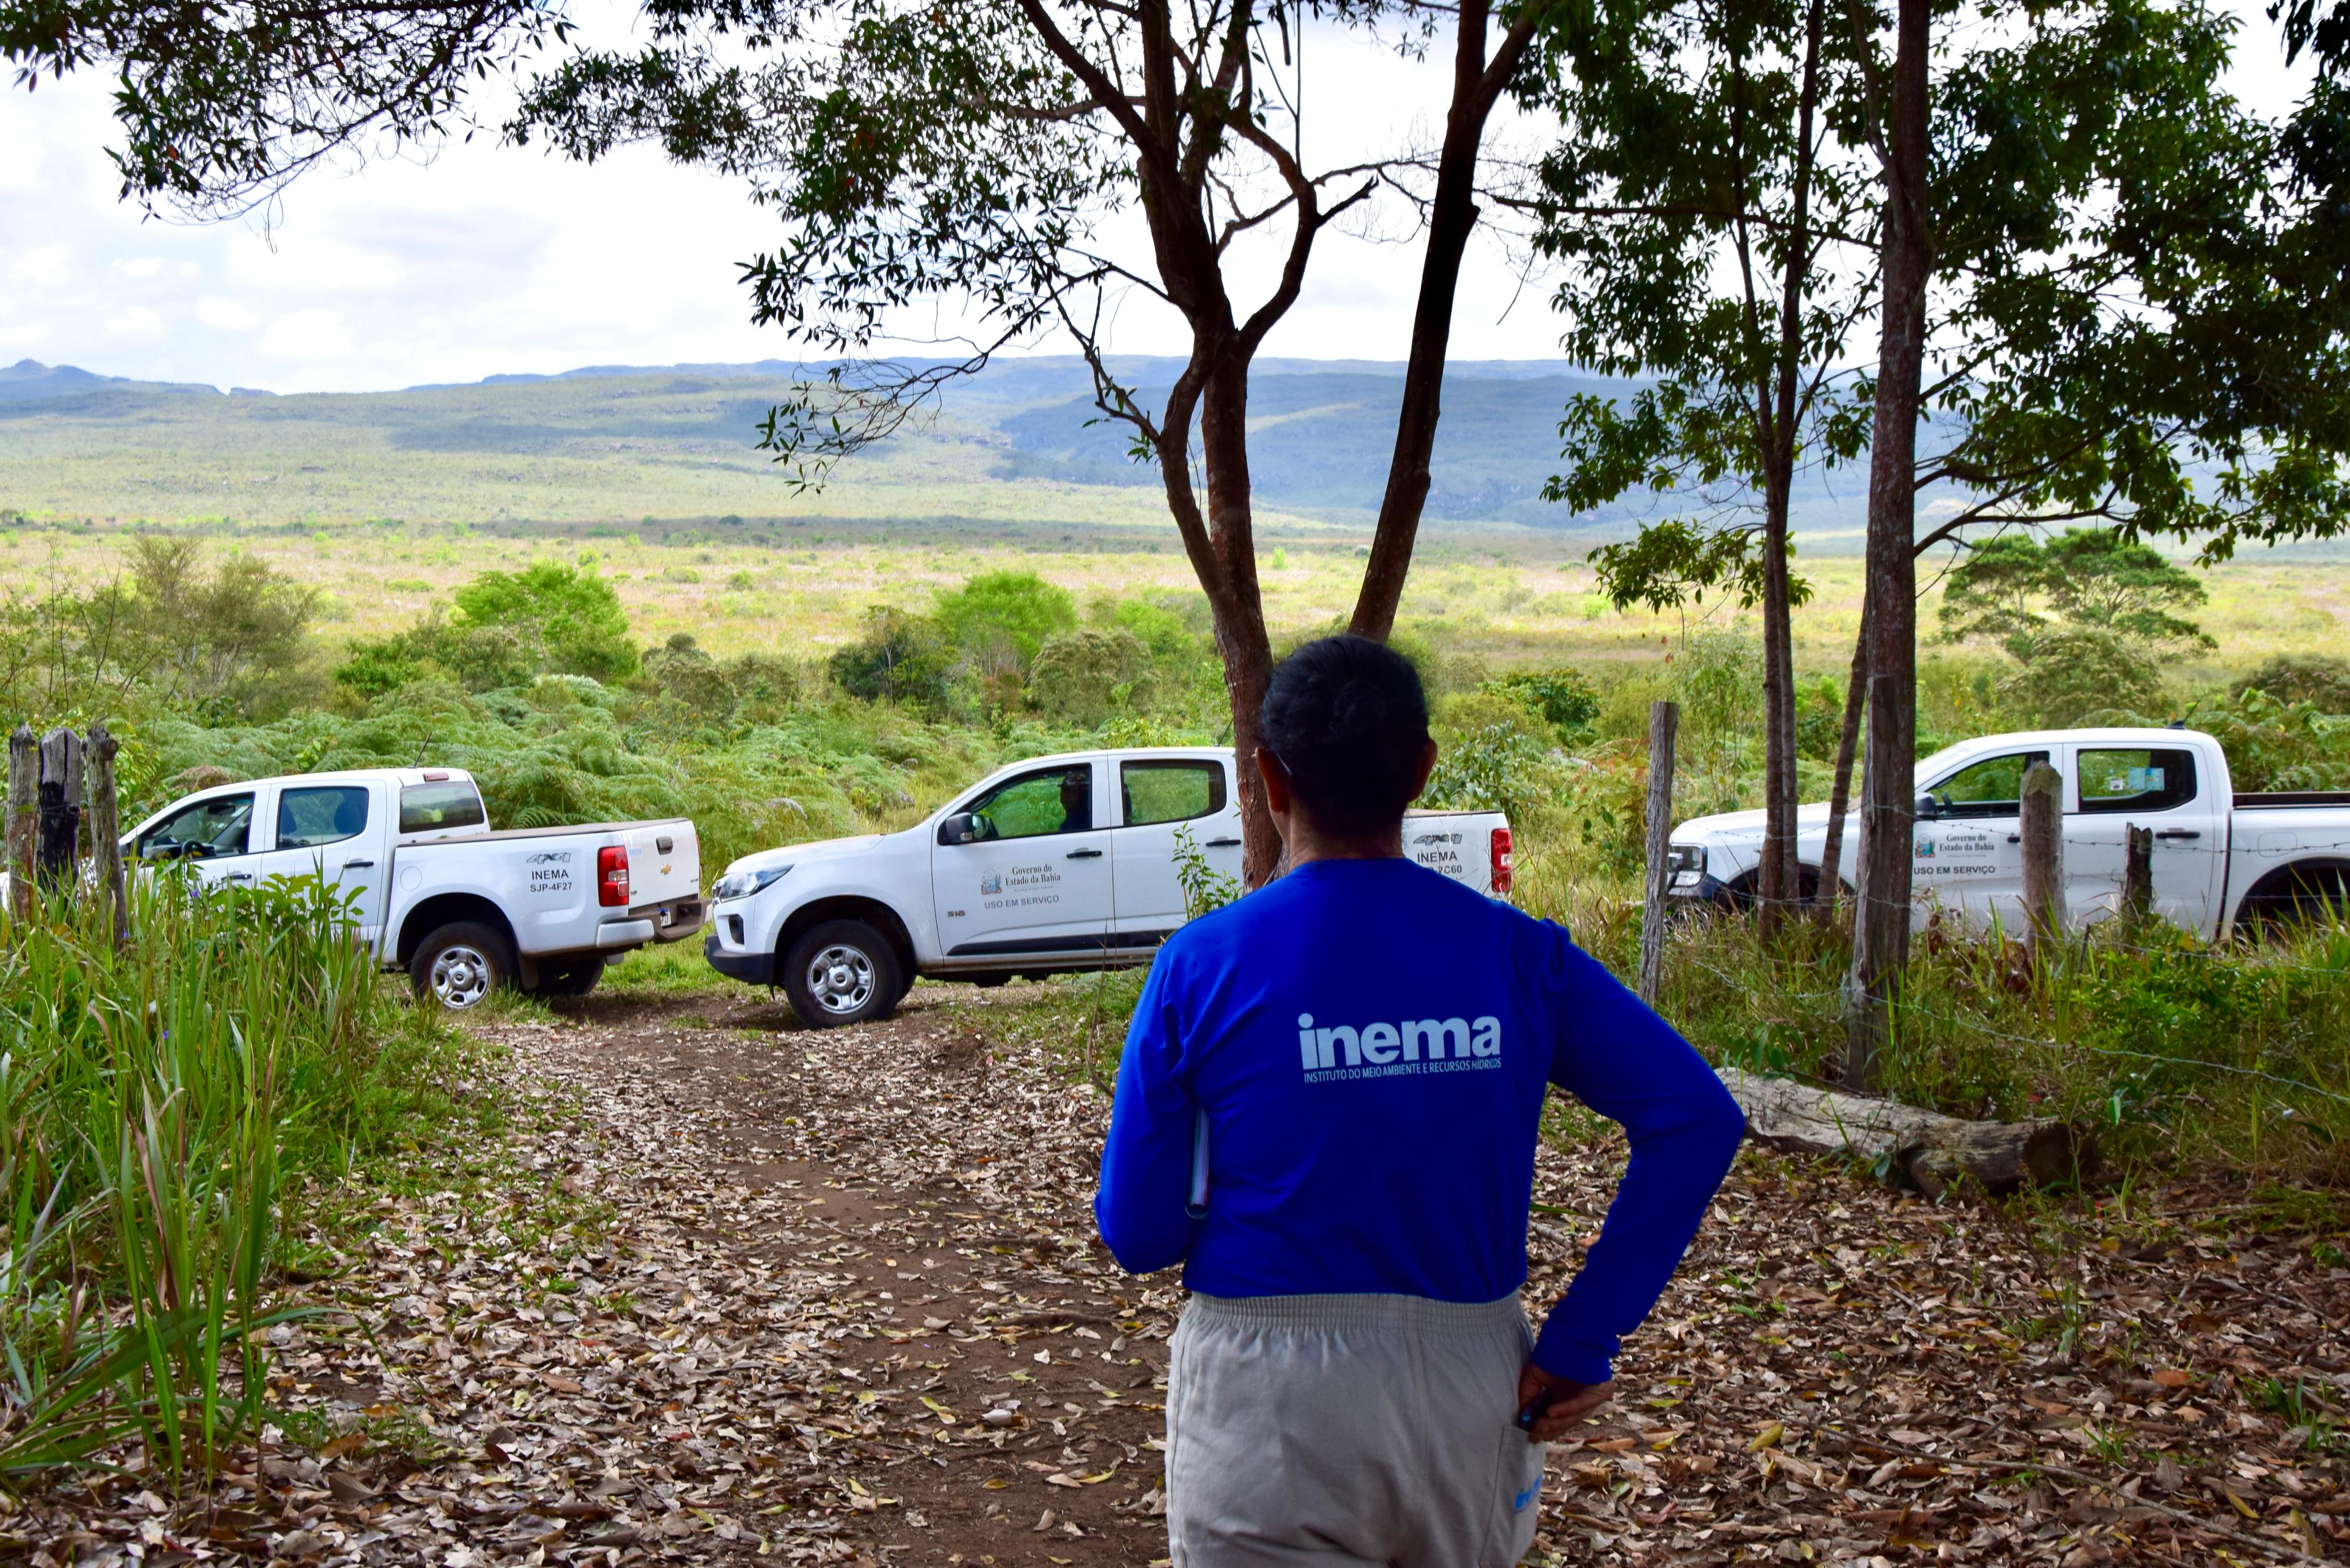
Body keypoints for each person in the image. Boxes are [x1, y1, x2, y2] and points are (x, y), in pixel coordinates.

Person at [1094, 634, 1746, 1568]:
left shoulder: (1200, 967)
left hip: (1264, 1398)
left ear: (1270, 780)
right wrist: (1584, 1336)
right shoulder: (1522, 956)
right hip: (1472, 1387)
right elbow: (1698, 1119)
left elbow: (1140, 1235)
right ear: (1422, 771)